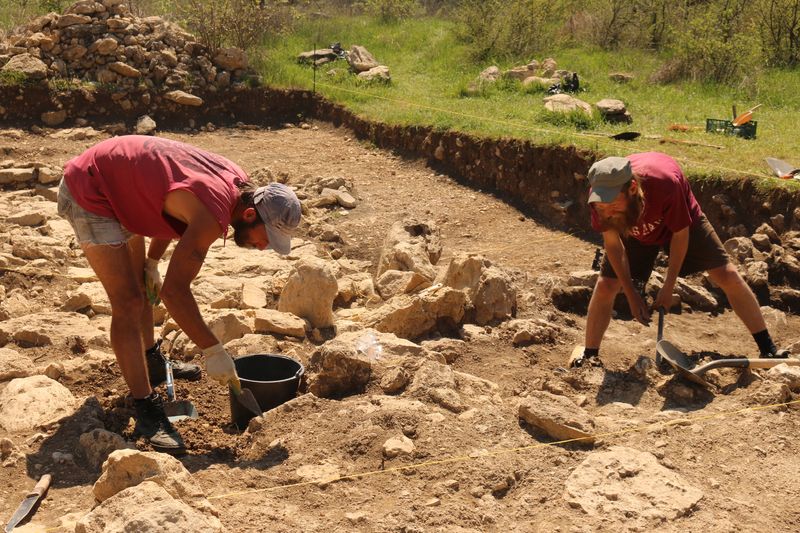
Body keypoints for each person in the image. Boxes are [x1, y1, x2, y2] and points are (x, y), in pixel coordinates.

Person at [57, 135, 302, 452]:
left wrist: (152, 261)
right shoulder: (213, 214)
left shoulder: (237, 185)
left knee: (141, 288)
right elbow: (175, 292)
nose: (264, 246)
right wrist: (212, 349)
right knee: (129, 302)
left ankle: (151, 362)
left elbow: (172, 207)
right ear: (250, 215)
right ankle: (146, 408)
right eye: (265, 237)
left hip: (121, 185)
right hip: (92, 189)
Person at [571, 152, 788, 368]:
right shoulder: (600, 199)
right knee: (606, 284)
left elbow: (680, 234)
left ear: (632, 188)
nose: (606, 212)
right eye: (602, 207)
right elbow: (613, 245)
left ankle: (768, 348)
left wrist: (668, 286)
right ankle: (590, 356)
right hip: (634, 230)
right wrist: (631, 292)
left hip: (682, 224)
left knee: (726, 274)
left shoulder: (665, 184)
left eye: (613, 204)